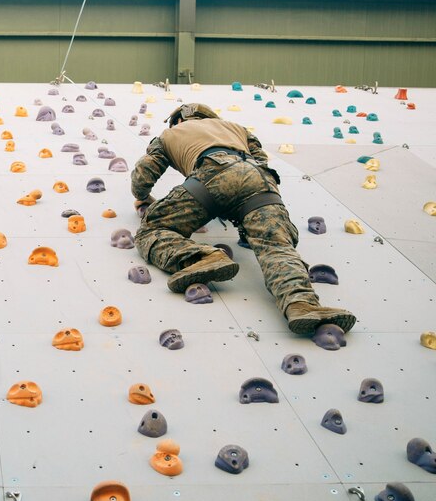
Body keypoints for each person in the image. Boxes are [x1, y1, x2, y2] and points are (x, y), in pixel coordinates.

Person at [131, 103, 356, 335]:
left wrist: (142, 197)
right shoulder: (236, 128)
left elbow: (144, 173)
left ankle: (202, 258)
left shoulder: (170, 134)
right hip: (259, 180)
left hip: (211, 175)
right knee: (276, 245)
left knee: (151, 230)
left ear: (178, 120)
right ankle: (301, 304)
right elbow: (260, 159)